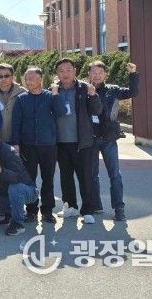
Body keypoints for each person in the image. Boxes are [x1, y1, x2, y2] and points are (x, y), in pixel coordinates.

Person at [11, 67, 66, 223]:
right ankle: (31, 210)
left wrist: (55, 94)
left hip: (48, 145)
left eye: (31, 78)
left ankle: (47, 211)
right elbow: (16, 123)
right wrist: (16, 143)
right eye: (26, 79)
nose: (28, 82)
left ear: (40, 79)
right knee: (29, 179)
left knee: (48, 179)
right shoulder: (21, 99)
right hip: (28, 145)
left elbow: (61, 111)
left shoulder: (50, 96)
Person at [87, 60, 140, 221]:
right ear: (89, 74)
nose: (97, 76)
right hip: (90, 138)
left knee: (115, 175)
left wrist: (133, 74)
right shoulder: (83, 90)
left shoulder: (113, 90)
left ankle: (119, 208)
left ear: (105, 74)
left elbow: (133, 92)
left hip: (109, 137)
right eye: (94, 72)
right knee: (92, 175)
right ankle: (96, 206)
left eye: (100, 73)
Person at [52, 58, 103, 224]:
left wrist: (93, 96)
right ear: (57, 73)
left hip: (82, 142)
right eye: (61, 70)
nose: (65, 74)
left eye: (68, 70)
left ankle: (87, 210)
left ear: (75, 71)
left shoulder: (84, 88)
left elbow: (97, 110)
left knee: (85, 177)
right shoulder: (53, 90)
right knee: (66, 177)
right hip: (61, 142)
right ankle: (70, 207)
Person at [0, 63, 26, 144]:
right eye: (0, 76)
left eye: (6, 76)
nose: (3, 79)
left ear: (12, 77)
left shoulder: (23, 92)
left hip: (19, 140)